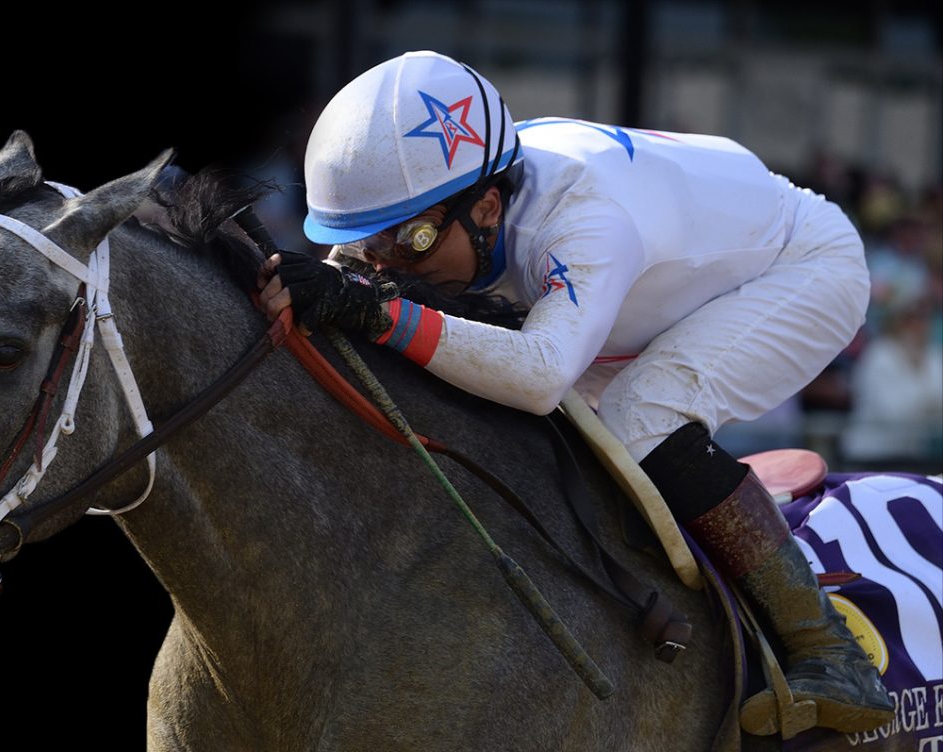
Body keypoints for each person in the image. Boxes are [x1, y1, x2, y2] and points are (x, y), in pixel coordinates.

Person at [258, 50, 892, 736]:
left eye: (410, 243)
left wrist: (377, 311)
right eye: (370, 245)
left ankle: (829, 648)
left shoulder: (581, 219)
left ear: (489, 206)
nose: (389, 265)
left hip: (804, 266)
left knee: (639, 413)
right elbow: (356, 282)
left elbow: (537, 376)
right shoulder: (448, 203)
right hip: (654, 289)